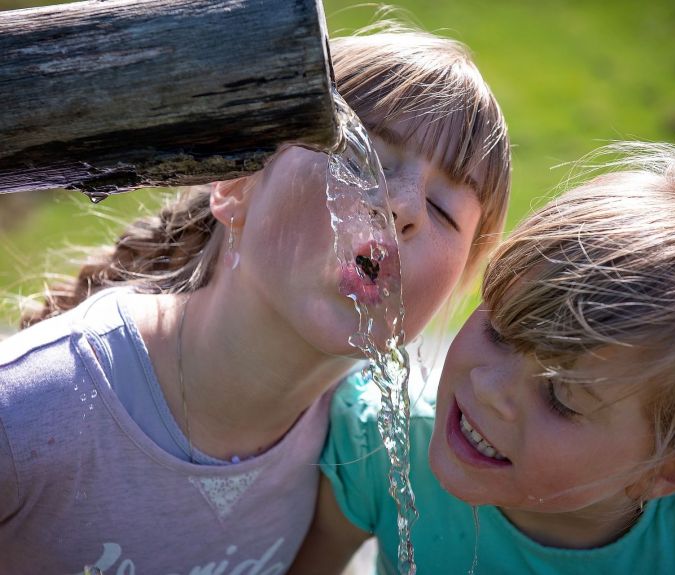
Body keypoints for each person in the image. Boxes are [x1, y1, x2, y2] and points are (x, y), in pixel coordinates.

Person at [0, 22, 510, 575]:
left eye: (442, 210)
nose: (402, 207)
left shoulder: (358, 454)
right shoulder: (31, 412)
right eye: (361, 158)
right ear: (234, 185)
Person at [291, 141, 675, 575]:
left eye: (560, 397)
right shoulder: (380, 448)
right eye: (499, 332)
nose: (490, 387)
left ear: (668, 470)